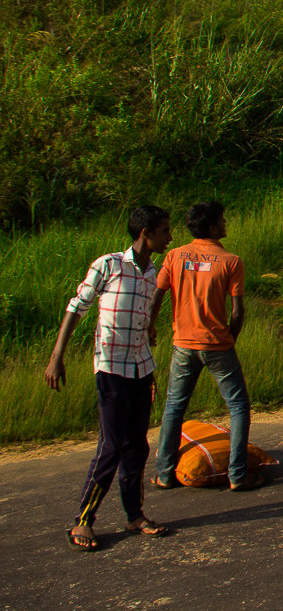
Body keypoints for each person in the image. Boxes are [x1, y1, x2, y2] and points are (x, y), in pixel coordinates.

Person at [45, 205, 174, 551]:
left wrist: (148, 329)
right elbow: (77, 307)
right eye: (164, 231)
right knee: (111, 446)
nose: (169, 237)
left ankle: (135, 515)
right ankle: (84, 520)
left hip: (141, 368)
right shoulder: (110, 265)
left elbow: (145, 309)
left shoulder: (153, 273)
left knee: (137, 446)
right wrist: (57, 357)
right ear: (145, 233)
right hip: (111, 368)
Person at [151, 200, 261, 491]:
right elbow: (237, 311)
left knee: (174, 406)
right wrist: (229, 341)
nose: (226, 224)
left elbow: (156, 296)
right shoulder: (231, 261)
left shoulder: (175, 256)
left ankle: (164, 474)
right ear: (212, 226)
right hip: (217, 344)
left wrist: (150, 327)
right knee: (238, 407)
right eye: (222, 220)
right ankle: (237, 476)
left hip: (183, 344)